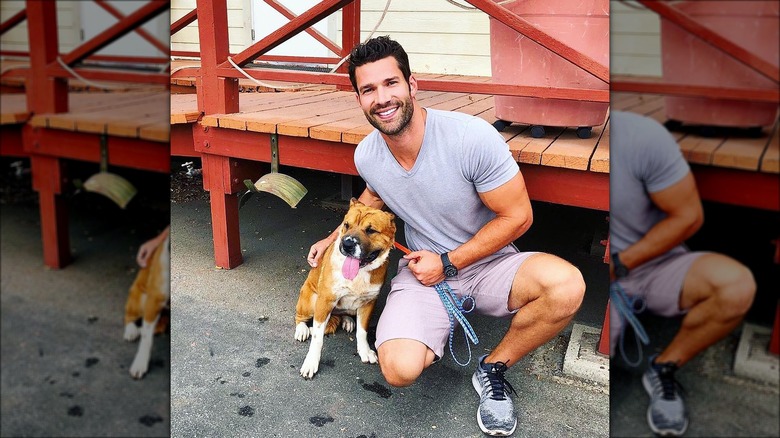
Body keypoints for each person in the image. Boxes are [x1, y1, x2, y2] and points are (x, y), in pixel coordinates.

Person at [306, 36, 586, 436]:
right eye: (369, 89)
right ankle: (436, 323)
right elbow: (371, 198)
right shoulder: (368, 154)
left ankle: (492, 368)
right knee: (398, 369)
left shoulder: (471, 137)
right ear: (358, 99)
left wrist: (451, 262)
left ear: (412, 85)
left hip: (490, 262)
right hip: (424, 272)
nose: (382, 98)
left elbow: (519, 216)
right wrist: (332, 237)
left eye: (391, 84)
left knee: (566, 285)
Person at [609, 110, 756, 437]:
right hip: (604, 279)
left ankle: (663, 368)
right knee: (603, 375)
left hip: (652, 262)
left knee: (736, 287)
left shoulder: (641, 136)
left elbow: (689, 216)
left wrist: (622, 262)